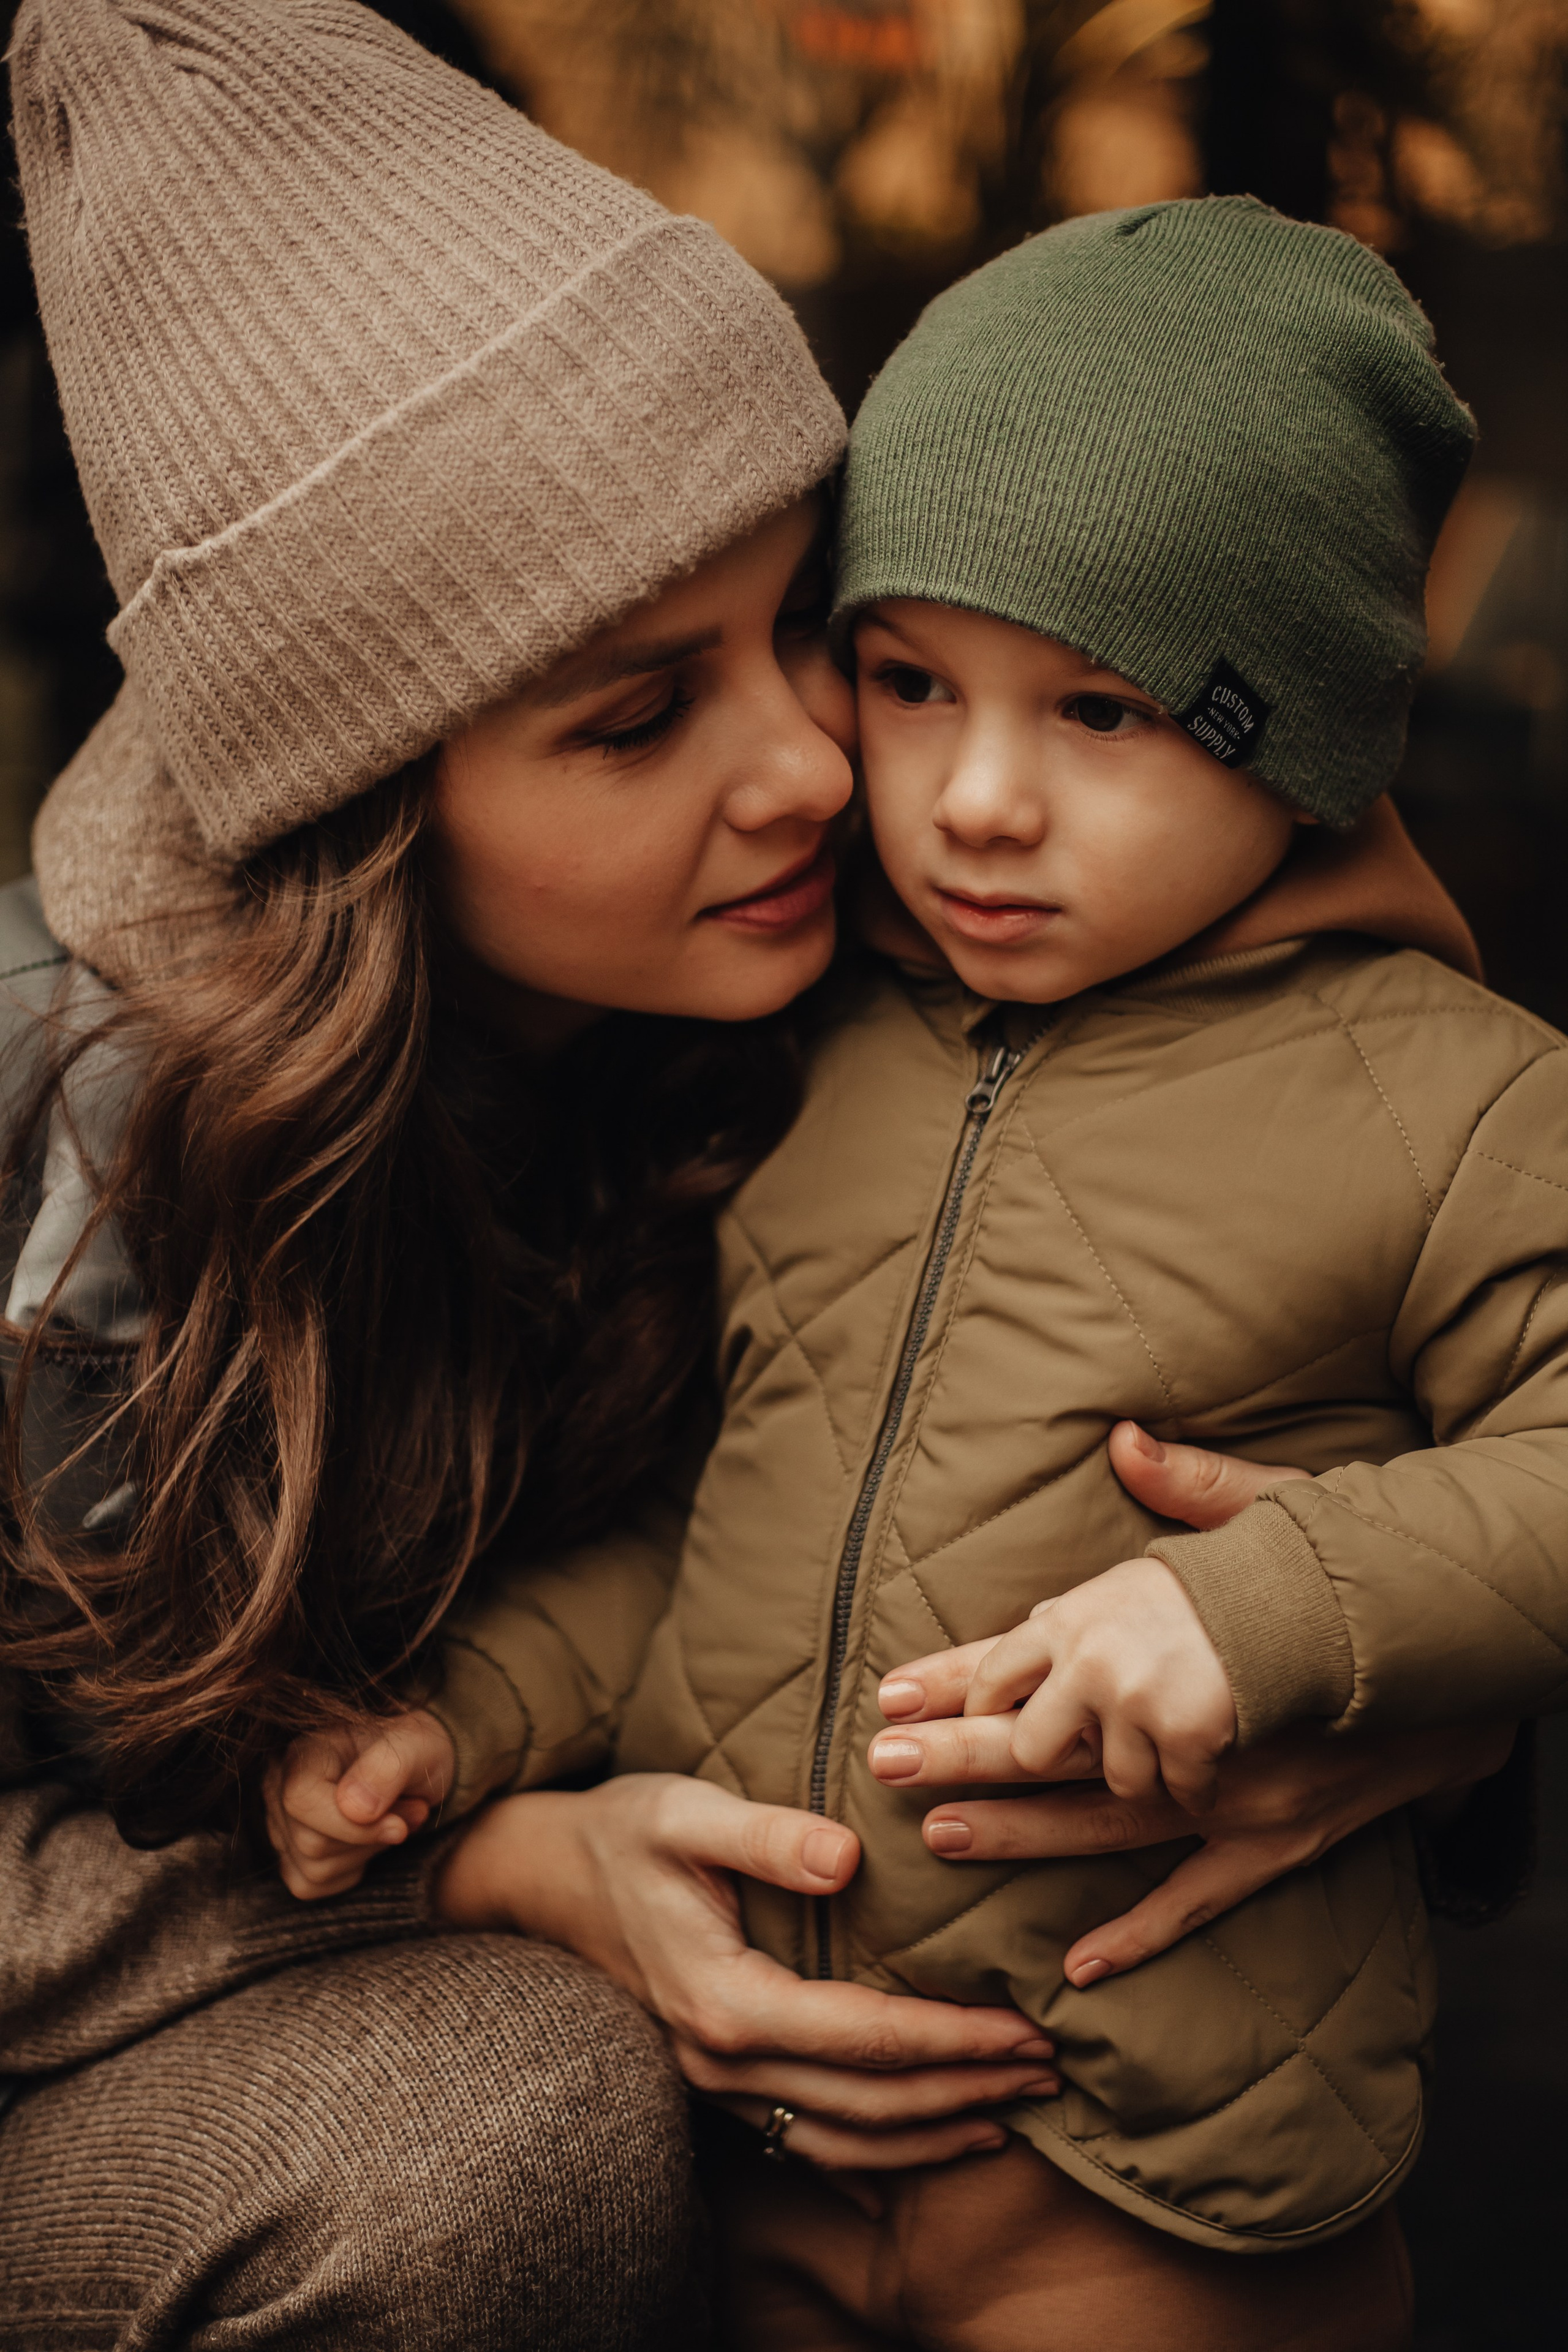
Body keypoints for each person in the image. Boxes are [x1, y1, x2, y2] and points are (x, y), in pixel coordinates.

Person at [0, 7, 1523, 2344]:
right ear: (362, 822)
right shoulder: (91, 1167)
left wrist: (1389, 1658)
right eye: (641, 712)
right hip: (143, 2027)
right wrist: (489, 1863)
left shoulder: (880, 969)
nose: (832, 767)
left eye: (814, 629)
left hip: (1117, 2158)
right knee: (510, 2140)